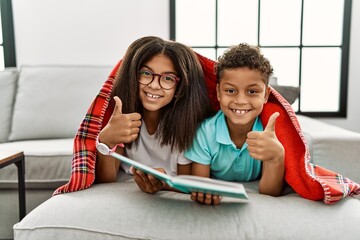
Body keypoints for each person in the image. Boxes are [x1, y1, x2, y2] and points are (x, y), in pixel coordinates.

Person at [94, 36, 214, 193]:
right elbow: (106, 181)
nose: (154, 85)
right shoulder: (124, 117)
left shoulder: (189, 125)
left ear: (180, 88)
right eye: (146, 73)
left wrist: (163, 184)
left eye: (168, 78)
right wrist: (106, 140)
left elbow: (189, 184)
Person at [185, 43, 285, 205]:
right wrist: (204, 189)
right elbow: (200, 184)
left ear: (266, 95)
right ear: (218, 92)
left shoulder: (270, 132)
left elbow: (269, 194)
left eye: (252, 92)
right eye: (230, 91)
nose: (240, 101)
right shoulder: (205, 132)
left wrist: (276, 157)